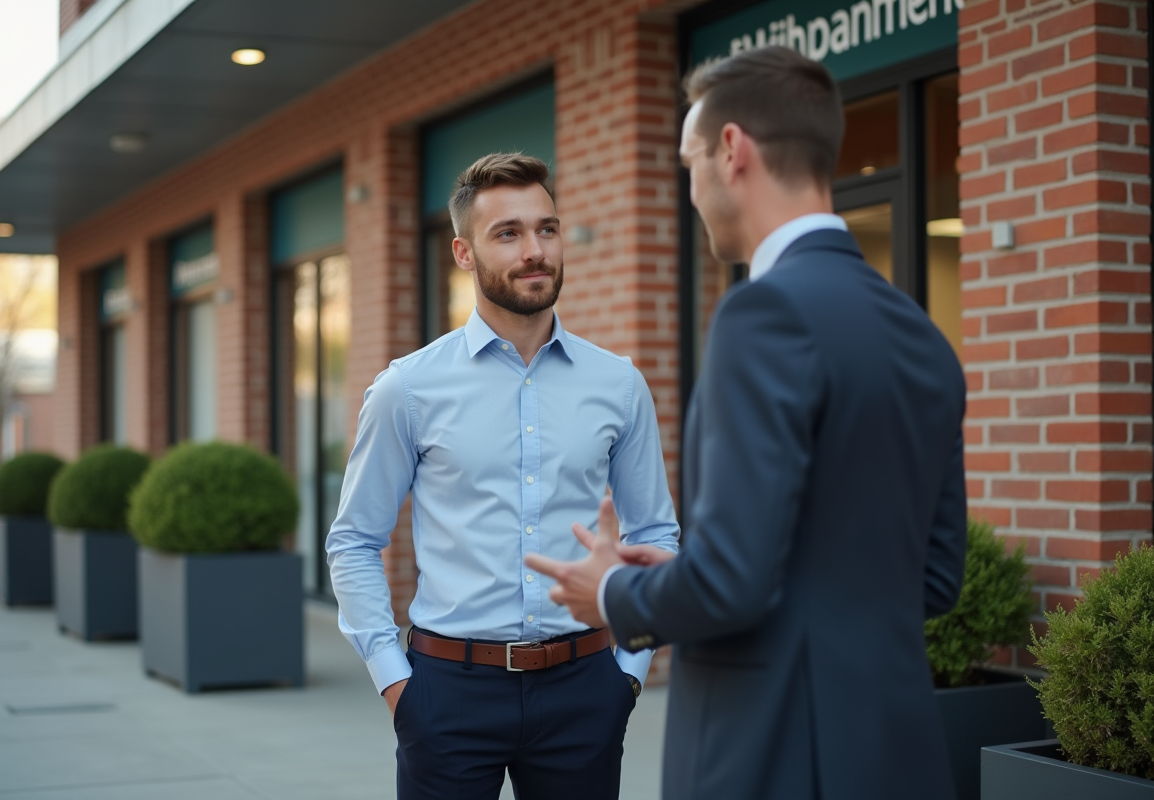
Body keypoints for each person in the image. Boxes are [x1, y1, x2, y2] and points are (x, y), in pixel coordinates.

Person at [526, 46, 967, 800]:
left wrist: (611, 594)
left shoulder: (761, 314)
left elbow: (734, 584)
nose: (690, 191)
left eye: (688, 161)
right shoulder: (921, 334)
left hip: (775, 758)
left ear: (732, 152)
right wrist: (687, 578)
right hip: (896, 754)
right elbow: (930, 577)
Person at [326, 152, 680, 800]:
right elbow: (353, 541)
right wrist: (396, 685)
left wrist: (627, 673)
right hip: (447, 694)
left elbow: (658, 531)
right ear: (464, 253)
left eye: (546, 228)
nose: (534, 250)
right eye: (508, 234)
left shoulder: (619, 384)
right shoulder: (408, 388)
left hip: (585, 687)